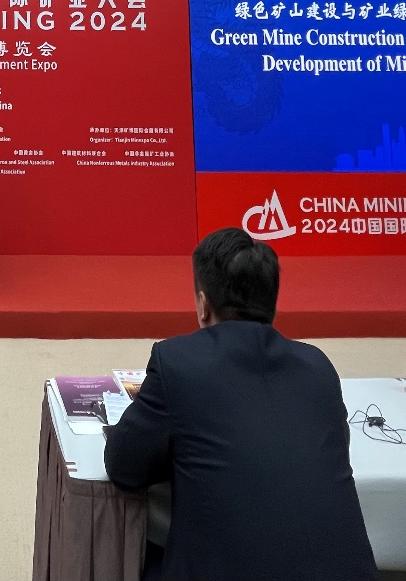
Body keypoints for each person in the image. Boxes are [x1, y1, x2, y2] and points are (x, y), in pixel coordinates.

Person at [104, 227, 378, 581]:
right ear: (271, 304)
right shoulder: (318, 366)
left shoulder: (177, 361)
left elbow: (124, 466)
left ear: (203, 305)